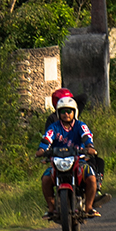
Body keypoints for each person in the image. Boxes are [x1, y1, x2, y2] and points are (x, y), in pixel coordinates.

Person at [38, 89, 98, 218]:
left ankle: (89, 206)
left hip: (78, 160)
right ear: (58, 113)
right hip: (58, 161)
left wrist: (89, 146)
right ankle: (52, 208)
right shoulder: (54, 127)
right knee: (46, 179)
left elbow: (87, 136)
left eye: (69, 111)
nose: (66, 114)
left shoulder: (80, 125)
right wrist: (42, 150)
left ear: (74, 112)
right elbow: (47, 138)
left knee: (92, 178)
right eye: (63, 111)